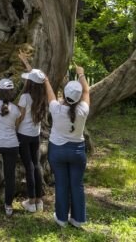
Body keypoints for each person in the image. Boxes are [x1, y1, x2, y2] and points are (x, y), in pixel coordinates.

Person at [45, 65, 90, 228]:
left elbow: (49, 93)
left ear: (63, 94)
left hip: (57, 151)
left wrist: (46, 80)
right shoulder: (83, 110)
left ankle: (62, 218)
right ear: (78, 98)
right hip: (77, 151)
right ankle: (78, 220)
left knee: (62, 184)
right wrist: (81, 74)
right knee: (77, 185)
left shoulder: (56, 108)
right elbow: (86, 92)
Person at [16, 52, 47, 213]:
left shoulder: (25, 97)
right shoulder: (42, 96)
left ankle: (31, 201)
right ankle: (39, 200)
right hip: (36, 135)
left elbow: (20, 117)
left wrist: (13, 129)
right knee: (36, 165)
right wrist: (25, 62)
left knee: (29, 167)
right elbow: (35, 76)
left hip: (23, 135)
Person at [0, 78, 21, 216]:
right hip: (11, 145)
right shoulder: (15, 110)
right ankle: (8, 205)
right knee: (10, 176)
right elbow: (16, 126)